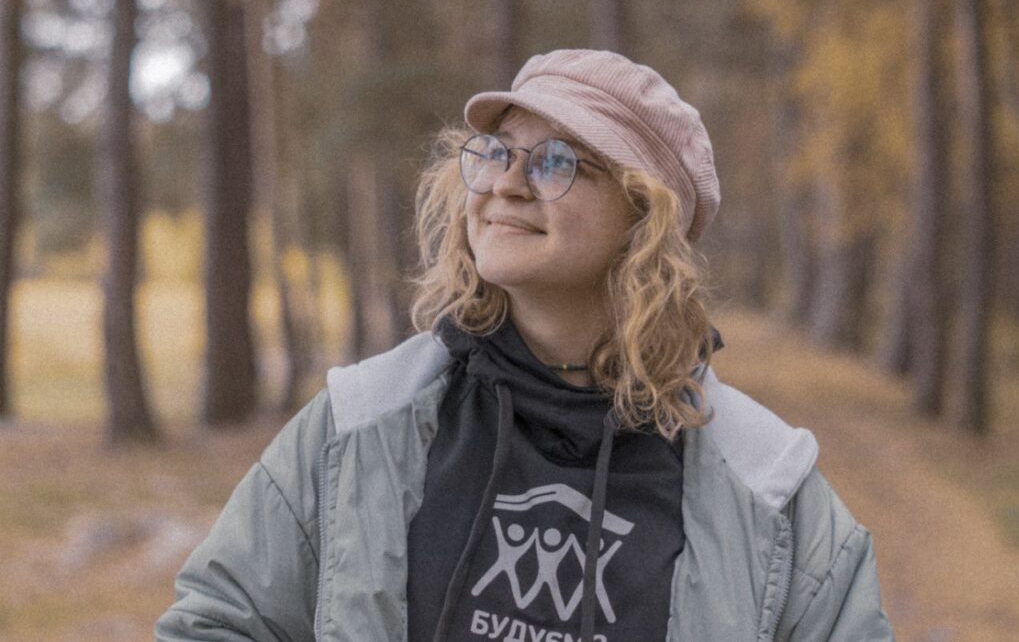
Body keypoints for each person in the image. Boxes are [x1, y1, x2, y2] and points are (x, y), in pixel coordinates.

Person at [156, 50, 894, 641]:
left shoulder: (767, 489)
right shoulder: (361, 425)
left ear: (645, 221)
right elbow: (217, 622)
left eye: (556, 161)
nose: (506, 184)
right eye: (496, 153)